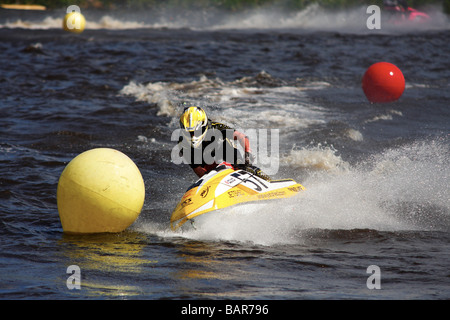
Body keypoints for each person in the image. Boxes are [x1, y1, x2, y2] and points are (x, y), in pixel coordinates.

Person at [177, 105, 271, 181]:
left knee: (244, 166)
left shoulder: (216, 128)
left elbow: (241, 137)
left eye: (195, 132)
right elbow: (197, 169)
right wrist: (208, 180)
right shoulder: (183, 143)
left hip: (227, 155)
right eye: (189, 133)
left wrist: (247, 153)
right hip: (207, 163)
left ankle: (262, 177)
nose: (193, 136)